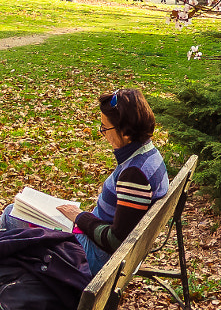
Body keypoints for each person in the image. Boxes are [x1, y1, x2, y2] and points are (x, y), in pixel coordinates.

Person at [49, 88, 169, 277]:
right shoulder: (148, 153)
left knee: (12, 216)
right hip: (104, 246)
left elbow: (116, 240)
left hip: (97, 256)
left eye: (105, 128)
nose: (102, 133)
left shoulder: (134, 174)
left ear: (126, 132)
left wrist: (80, 217)